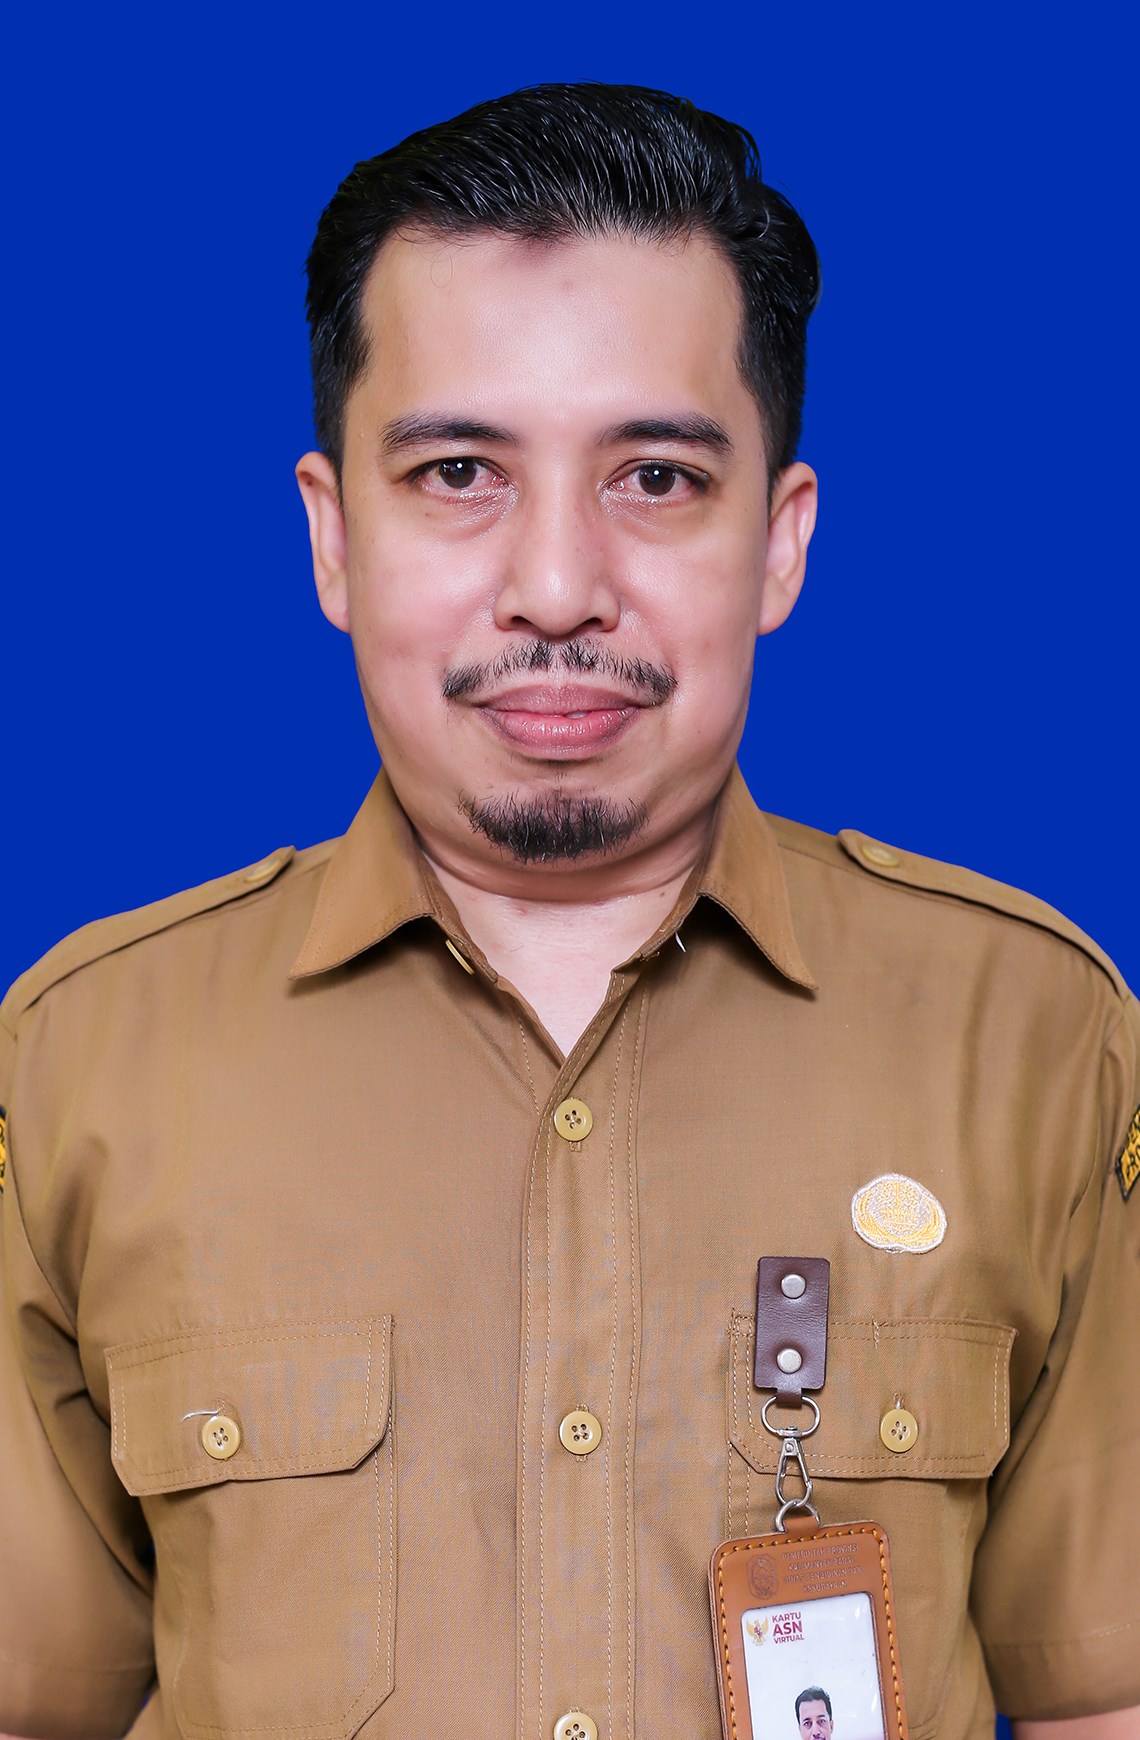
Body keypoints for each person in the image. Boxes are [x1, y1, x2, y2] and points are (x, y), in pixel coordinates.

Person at [1, 82, 1138, 1740]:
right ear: (334, 538)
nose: (554, 587)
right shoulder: (81, 1060)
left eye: (656, 477)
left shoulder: (1031, 1033)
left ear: (780, 543)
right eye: (459, 471)